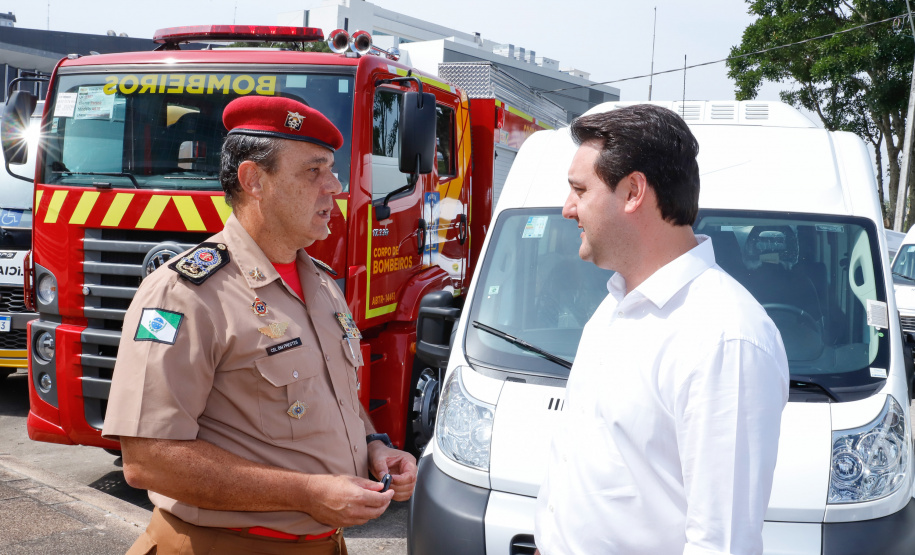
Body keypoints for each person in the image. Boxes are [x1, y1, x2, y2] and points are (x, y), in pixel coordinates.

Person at [102, 95, 417, 555]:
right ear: (254, 180)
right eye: (314, 171)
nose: (335, 186)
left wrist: (374, 447)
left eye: (332, 168)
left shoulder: (322, 285)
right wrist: (308, 494)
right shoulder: (184, 292)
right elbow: (149, 460)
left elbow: (329, 397)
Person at [534, 104, 789, 555]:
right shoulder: (613, 306)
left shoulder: (724, 339)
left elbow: (721, 544)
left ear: (633, 191)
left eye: (579, 189)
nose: (567, 208)